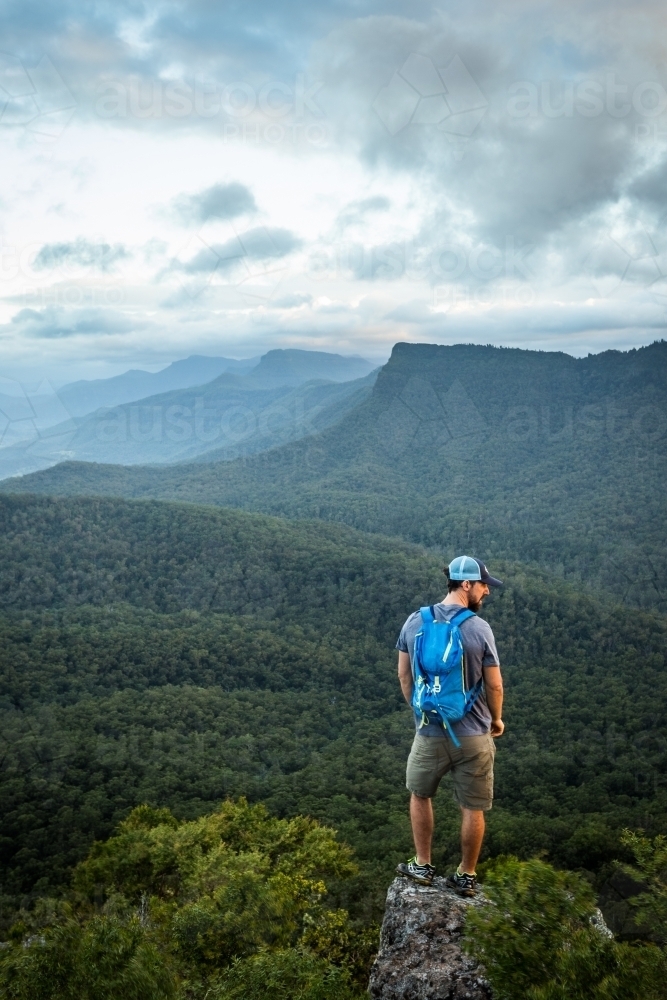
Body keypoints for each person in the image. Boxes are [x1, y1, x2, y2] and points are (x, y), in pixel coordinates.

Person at [395, 555, 504, 897]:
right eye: (483, 585)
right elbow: (495, 685)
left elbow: (403, 674)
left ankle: (423, 865)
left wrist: (420, 711)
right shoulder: (478, 628)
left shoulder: (415, 621)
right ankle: (466, 875)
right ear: (466, 585)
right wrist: (497, 719)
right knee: (472, 806)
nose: (487, 591)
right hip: (472, 734)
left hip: (429, 731)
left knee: (420, 794)